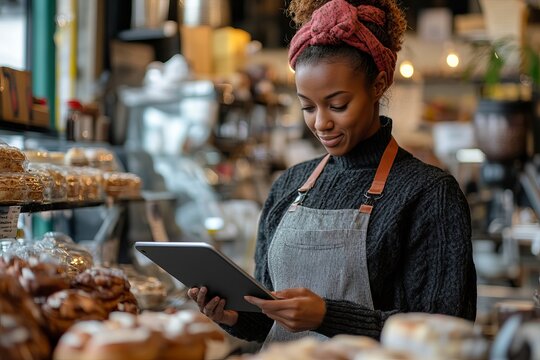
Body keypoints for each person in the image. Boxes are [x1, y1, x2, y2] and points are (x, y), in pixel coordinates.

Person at [188, 0, 476, 345]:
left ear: (379, 85)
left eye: (338, 105)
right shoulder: (289, 185)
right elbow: (269, 318)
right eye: (307, 107)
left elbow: (444, 332)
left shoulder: (429, 193)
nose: (321, 123)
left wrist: (327, 315)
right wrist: (234, 316)